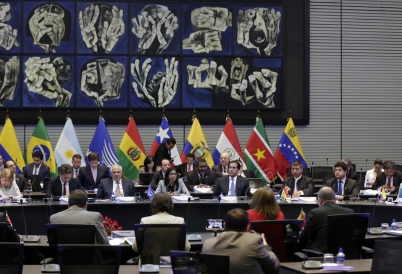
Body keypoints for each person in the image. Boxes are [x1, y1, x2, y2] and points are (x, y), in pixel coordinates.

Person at [202, 208, 280, 274]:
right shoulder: (254, 241)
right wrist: (266, 247)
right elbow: (274, 268)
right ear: (247, 227)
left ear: (225, 225)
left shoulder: (208, 244)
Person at [298, 187, 354, 252]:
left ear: (320, 201)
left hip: (319, 255)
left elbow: (304, 238)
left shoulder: (315, 213)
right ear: (335, 199)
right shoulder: (349, 212)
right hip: (343, 254)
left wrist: (301, 231)